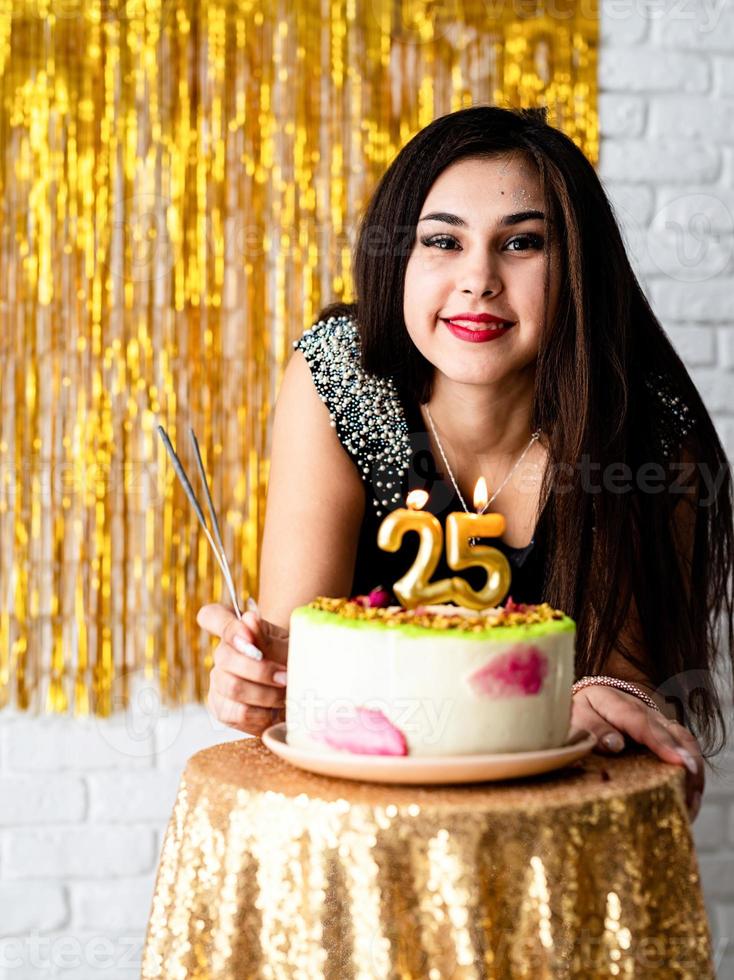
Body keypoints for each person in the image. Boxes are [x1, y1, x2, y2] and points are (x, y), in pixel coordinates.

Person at [197, 105, 734, 822]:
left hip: (549, 823)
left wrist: (619, 698)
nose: (479, 279)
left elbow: (624, 680)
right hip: (356, 814)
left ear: (576, 268)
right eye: (443, 241)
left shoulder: (648, 421)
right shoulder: (338, 375)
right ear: (400, 261)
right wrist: (256, 678)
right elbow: (302, 665)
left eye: (522, 244)